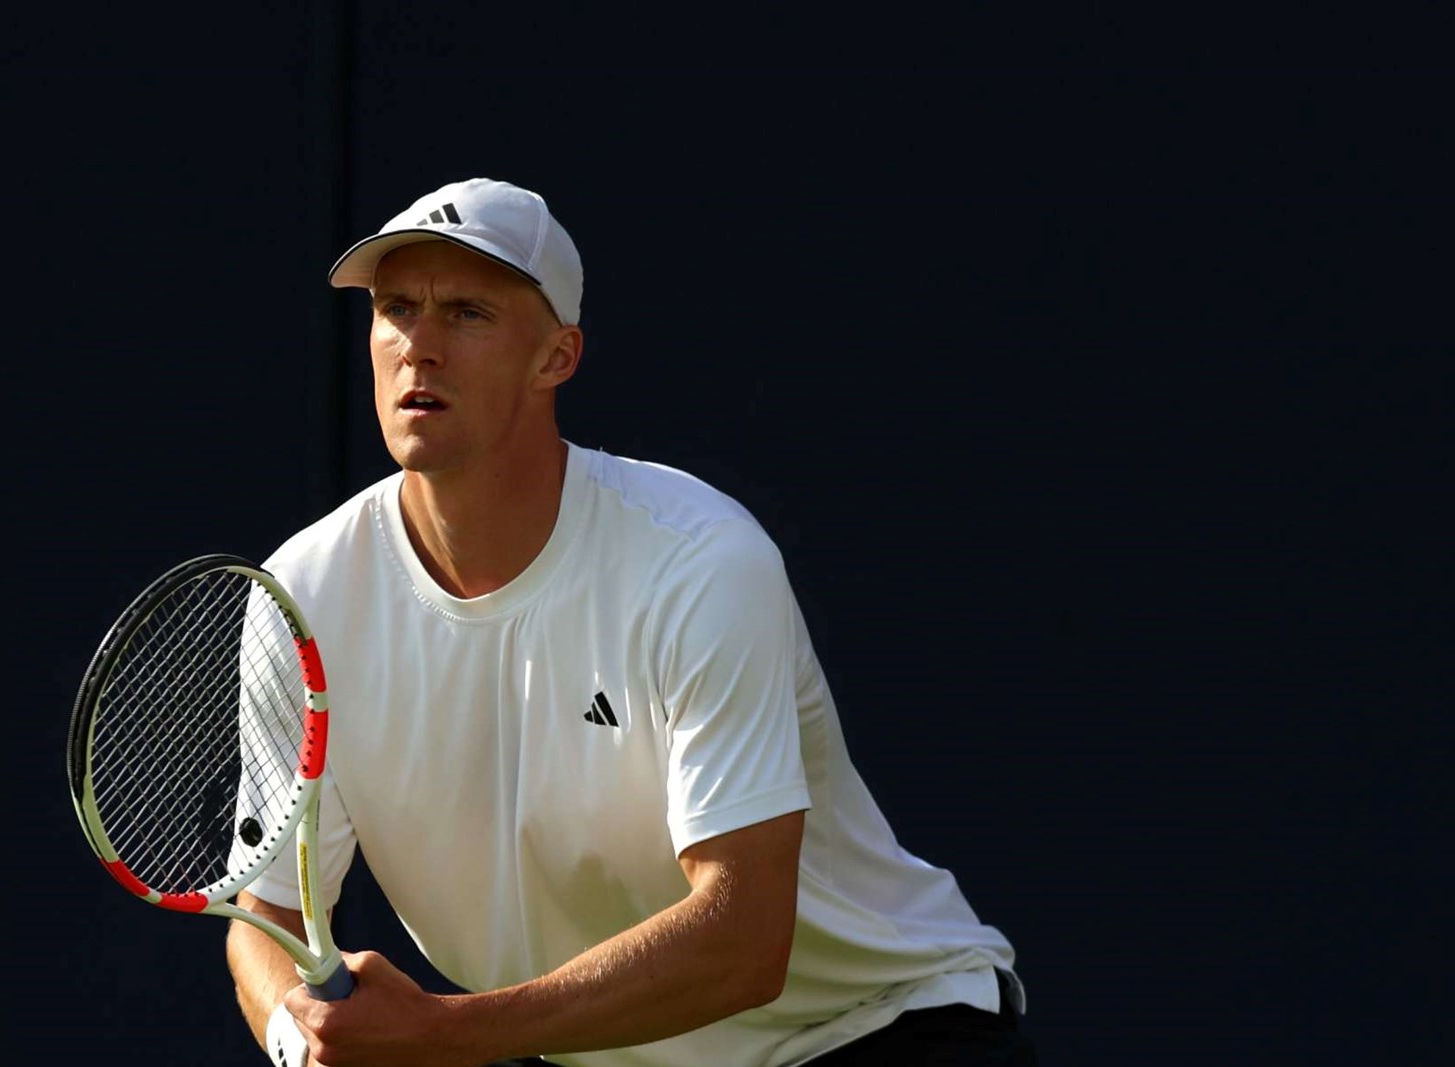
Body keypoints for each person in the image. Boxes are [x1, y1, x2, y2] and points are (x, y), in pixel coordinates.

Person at [224, 178, 1033, 1067]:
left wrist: (446, 1035)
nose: (419, 346)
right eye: (395, 309)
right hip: (586, 1049)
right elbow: (267, 917)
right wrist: (299, 1040)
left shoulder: (699, 562)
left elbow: (743, 937)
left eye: (467, 314)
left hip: (868, 1033)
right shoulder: (302, 596)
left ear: (556, 357)